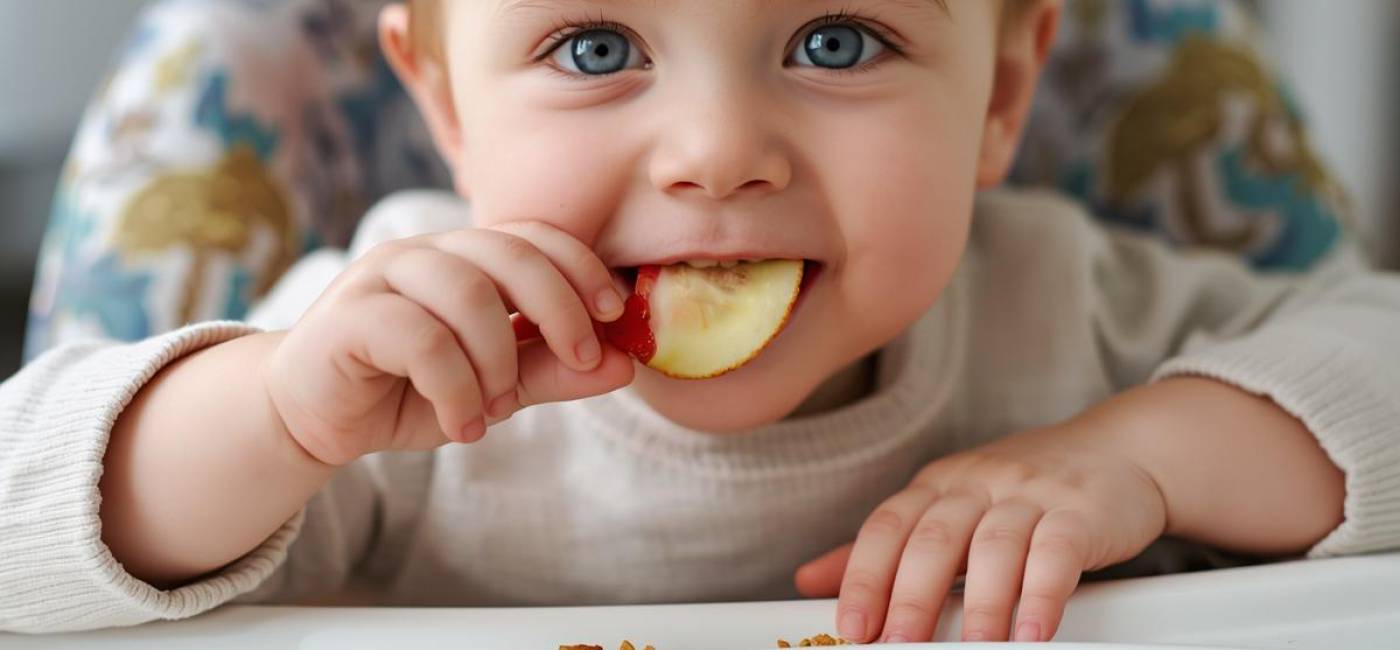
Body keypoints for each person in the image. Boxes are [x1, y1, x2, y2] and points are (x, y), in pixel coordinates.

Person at [3, 0, 1398, 643]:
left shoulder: (1066, 309)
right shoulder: (396, 354)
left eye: (837, 42)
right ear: (444, 105)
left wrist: (1143, 455)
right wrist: (270, 421)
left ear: (1000, 93)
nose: (718, 153)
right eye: (594, 48)